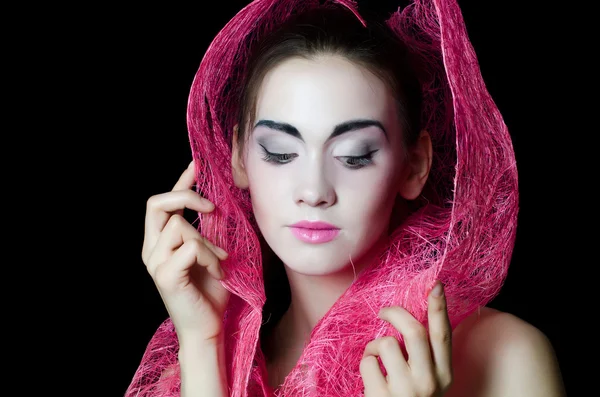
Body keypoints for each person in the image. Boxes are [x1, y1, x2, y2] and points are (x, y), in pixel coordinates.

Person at [127, 0, 566, 396]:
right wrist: (202, 344)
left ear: (414, 166)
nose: (314, 191)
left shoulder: (507, 356)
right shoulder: (192, 377)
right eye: (280, 153)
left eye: (355, 156)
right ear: (240, 159)